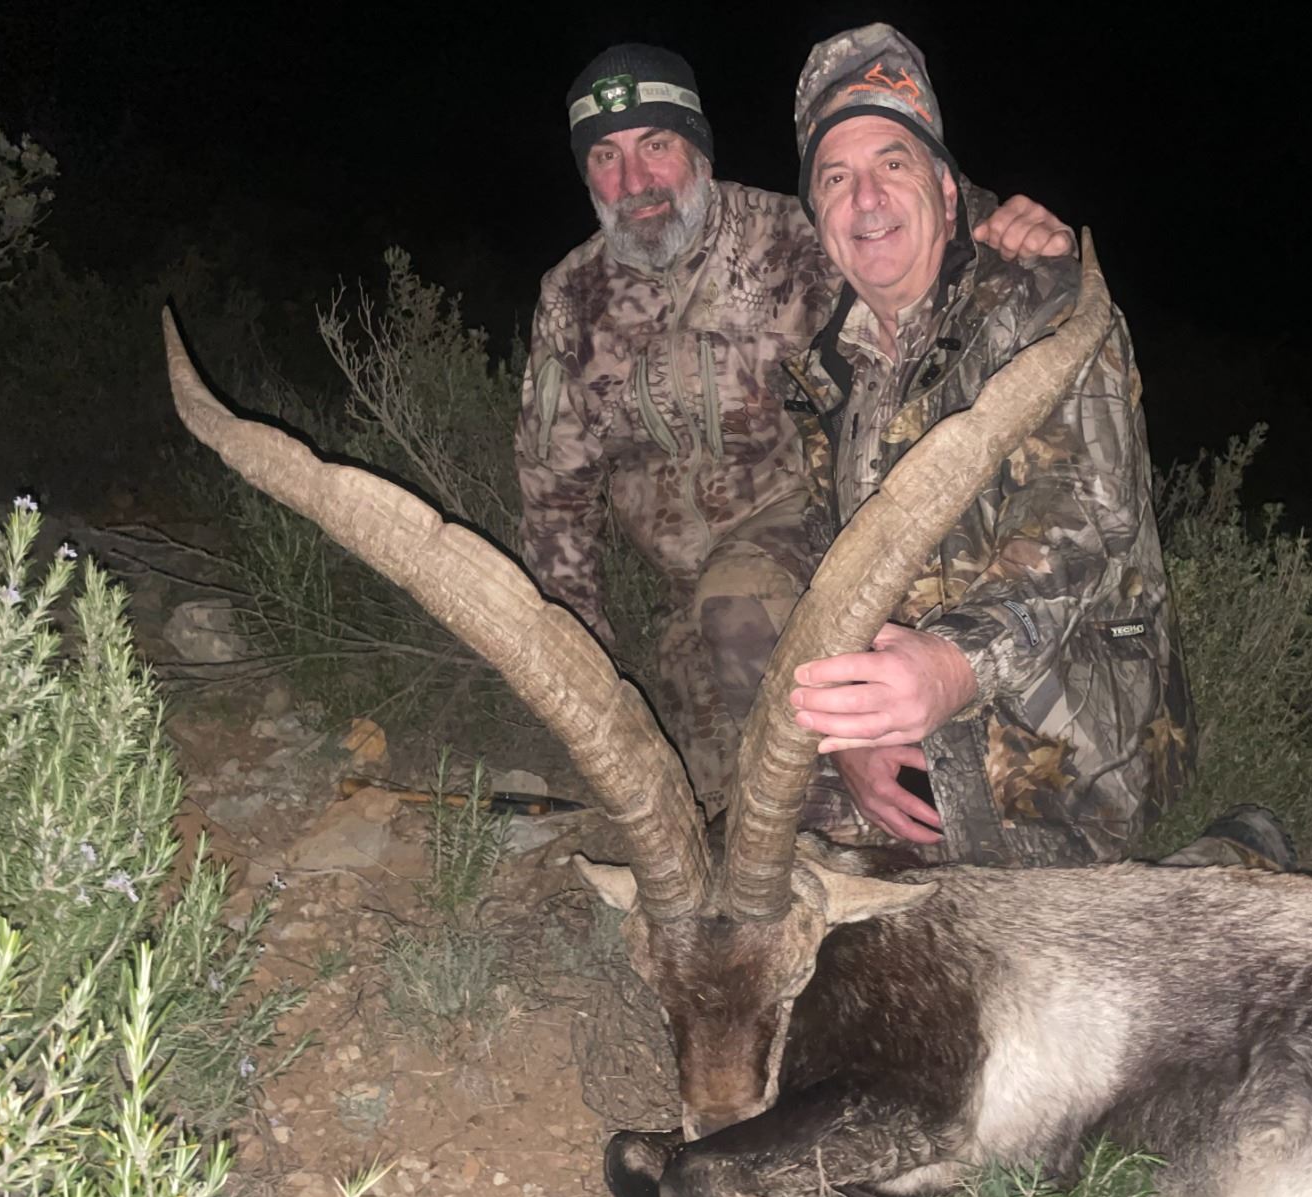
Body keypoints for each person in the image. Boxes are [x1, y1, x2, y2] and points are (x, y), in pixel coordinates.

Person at [514, 43, 1071, 818]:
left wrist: (998, 221)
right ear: (586, 175)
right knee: (703, 799)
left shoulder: (787, 237)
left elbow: (897, 228)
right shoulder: (571, 297)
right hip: (691, 597)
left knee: (794, 767)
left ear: (699, 151)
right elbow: (556, 504)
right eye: (606, 157)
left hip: (813, 546)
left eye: (657, 145)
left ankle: (860, 817)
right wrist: (581, 669)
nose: (635, 182)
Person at [783, 24, 1200, 867]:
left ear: (946, 189)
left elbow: (1081, 527)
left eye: (892, 163)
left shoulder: (1048, 304)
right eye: (836, 178)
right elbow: (832, 580)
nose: (867, 199)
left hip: (1069, 721)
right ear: (818, 218)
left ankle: (1230, 856)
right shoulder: (826, 372)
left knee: (978, 925)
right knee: (784, 864)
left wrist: (948, 670)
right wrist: (853, 739)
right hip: (917, 704)